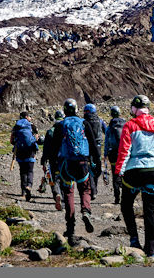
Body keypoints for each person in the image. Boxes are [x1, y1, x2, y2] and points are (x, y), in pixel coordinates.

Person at [114, 94, 154, 258]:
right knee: (149, 211)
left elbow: (124, 152)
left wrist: (119, 172)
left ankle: (134, 240)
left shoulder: (129, 125)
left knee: (126, 205)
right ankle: (151, 250)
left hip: (134, 173)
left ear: (134, 109)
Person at [50, 98, 94, 237]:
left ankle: (70, 227)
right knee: (85, 189)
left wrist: (53, 165)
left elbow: (54, 148)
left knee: (68, 192)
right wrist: (96, 162)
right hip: (82, 162)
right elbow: (93, 144)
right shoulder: (84, 123)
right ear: (76, 110)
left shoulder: (60, 125)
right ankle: (86, 211)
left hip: (66, 164)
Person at [10, 111, 40, 201]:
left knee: (22, 171)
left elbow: (11, 140)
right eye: (30, 116)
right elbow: (37, 138)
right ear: (26, 117)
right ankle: (29, 186)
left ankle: (23, 192)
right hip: (30, 150)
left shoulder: (16, 126)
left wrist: (17, 143)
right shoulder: (32, 125)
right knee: (30, 171)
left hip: (19, 151)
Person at [39, 110, 64, 210]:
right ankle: (64, 200)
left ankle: (57, 194)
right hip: (64, 159)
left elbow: (45, 148)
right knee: (64, 179)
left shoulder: (50, 131)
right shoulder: (66, 130)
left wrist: (44, 161)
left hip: (53, 159)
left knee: (54, 178)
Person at [103, 106, 128, 204]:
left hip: (112, 153)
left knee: (115, 174)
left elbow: (106, 141)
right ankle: (125, 196)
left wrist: (105, 154)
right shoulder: (125, 124)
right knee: (125, 173)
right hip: (123, 152)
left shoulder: (109, 127)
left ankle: (117, 197)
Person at [83, 103, 107, 199]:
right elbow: (106, 131)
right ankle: (95, 189)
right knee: (97, 168)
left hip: (87, 147)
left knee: (88, 168)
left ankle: (92, 189)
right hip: (98, 146)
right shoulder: (100, 121)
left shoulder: (84, 122)